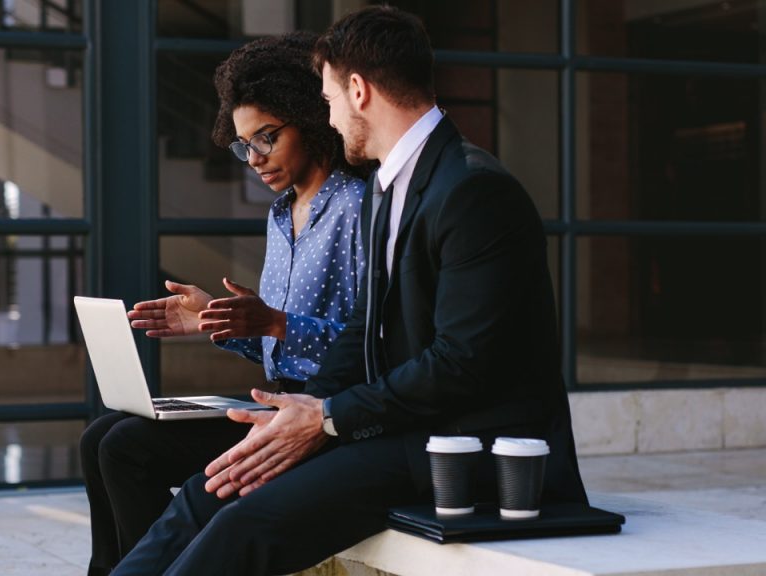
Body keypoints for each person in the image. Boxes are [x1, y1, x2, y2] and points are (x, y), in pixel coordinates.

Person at [111, 6, 589, 575]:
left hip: (467, 449)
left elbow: (462, 364)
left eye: (330, 99)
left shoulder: (474, 190)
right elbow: (365, 330)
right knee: (206, 494)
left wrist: (329, 416)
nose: (329, 119)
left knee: (244, 522)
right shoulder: (390, 187)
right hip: (396, 426)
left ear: (358, 90)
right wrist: (306, 410)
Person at [79, 32, 369, 576]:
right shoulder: (281, 213)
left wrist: (277, 323)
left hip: (319, 413)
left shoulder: (355, 209)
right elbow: (274, 341)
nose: (254, 158)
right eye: (243, 145)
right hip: (272, 398)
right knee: (101, 434)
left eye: (266, 137)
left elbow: (371, 341)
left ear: (308, 118)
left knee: (126, 448)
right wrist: (216, 319)